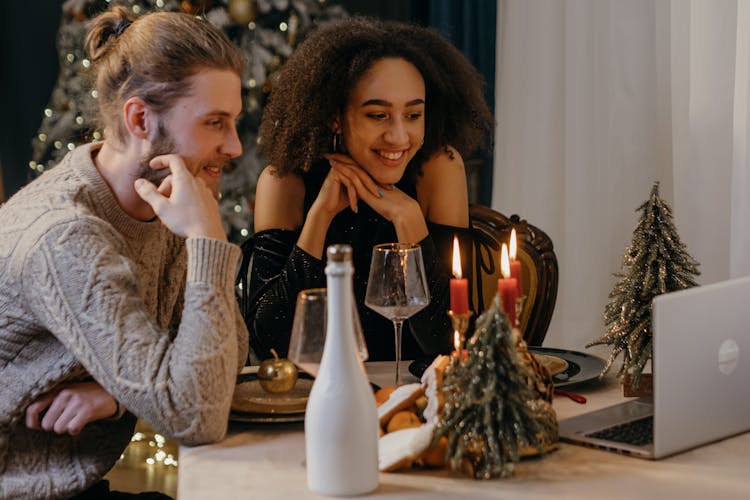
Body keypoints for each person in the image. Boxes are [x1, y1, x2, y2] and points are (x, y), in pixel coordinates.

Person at [0, 6, 249, 499]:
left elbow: (228, 354)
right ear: (139, 118)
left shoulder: (167, 199)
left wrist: (115, 395)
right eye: (215, 122)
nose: (236, 146)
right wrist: (208, 243)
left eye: (234, 122)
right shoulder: (64, 238)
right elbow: (197, 415)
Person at [240, 17, 493, 363]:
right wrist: (320, 217)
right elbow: (270, 345)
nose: (399, 137)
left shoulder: (437, 171)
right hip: (314, 401)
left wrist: (410, 222)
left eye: (413, 115)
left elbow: (453, 343)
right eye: (378, 115)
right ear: (335, 116)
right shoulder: (285, 183)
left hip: (415, 401)